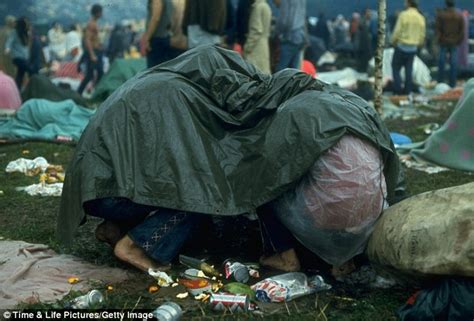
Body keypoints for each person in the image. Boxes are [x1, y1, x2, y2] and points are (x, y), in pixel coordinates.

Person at [390, 0, 425, 95]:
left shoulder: (403, 15)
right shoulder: (420, 17)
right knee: (409, 70)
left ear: (408, 3)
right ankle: (407, 91)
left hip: (401, 46)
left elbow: (397, 30)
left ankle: (397, 89)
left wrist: (392, 41)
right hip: (413, 48)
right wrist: (419, 44)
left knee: (395, 67)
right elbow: (422, 35)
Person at [436, 0, 465, 88]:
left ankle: (440, 83)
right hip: (454, 42)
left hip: (443, 42)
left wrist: (439, 40)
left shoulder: (441, 15)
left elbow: (438, 29)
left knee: (441, 63)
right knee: (453, 63)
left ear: (446, 4)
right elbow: (462, 31)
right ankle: (452, 84)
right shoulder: (459, 16)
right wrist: (458, 41)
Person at [77, 4, 104, 95]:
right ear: (97, 13)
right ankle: (80, 92)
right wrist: (92, 55)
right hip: (93, 52)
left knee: (95, 74)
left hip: (96, 52)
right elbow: (87, 40)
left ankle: (91, 91)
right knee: (95, 74)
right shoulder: (91, 24)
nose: (102, 14)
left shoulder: (94, 23)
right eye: (100, 12)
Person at [273, 0, 307, 71]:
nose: (274, 4)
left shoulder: (286, 1)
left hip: (289, 38)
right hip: (299, 37)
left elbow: (284, 21)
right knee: (294, 70)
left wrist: (276, 33)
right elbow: (303, 19)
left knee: (281, 70)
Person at [4, 16, 35, 89]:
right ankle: (33, 87)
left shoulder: (26, 33)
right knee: (31, 70)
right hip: (18, 57)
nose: (28, 25)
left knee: (20, 74)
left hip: (24, 57)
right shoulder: (14, 32)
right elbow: (9, 42)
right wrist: (7, 48)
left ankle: (17, 89)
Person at [141, 0, 174, 68]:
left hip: (157, 40)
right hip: (165, 37)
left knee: (154, 72)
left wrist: (147, 38)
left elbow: (156, 18)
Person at [243, 0, 272, 73]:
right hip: (264, 46)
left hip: (256, 48)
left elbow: (256, 30)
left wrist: (247, 47)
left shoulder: (258, 7)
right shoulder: (266, 6)